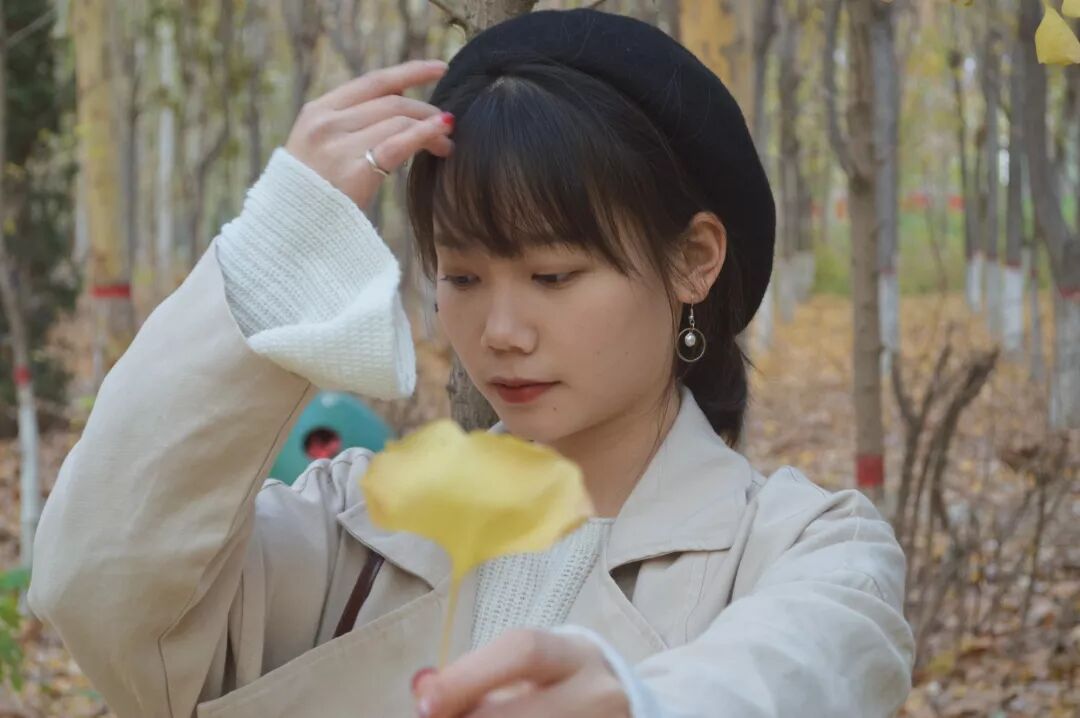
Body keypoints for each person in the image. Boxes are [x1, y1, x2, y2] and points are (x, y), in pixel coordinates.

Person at [29, 9, 914, 718]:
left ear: (694, 260)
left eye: (553, 276)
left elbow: (803, 667)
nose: (501, 331)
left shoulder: (802, 547)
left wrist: (638, 700)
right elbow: (99, 585)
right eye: (461, 277)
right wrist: (275, 251)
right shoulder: (352, 535)